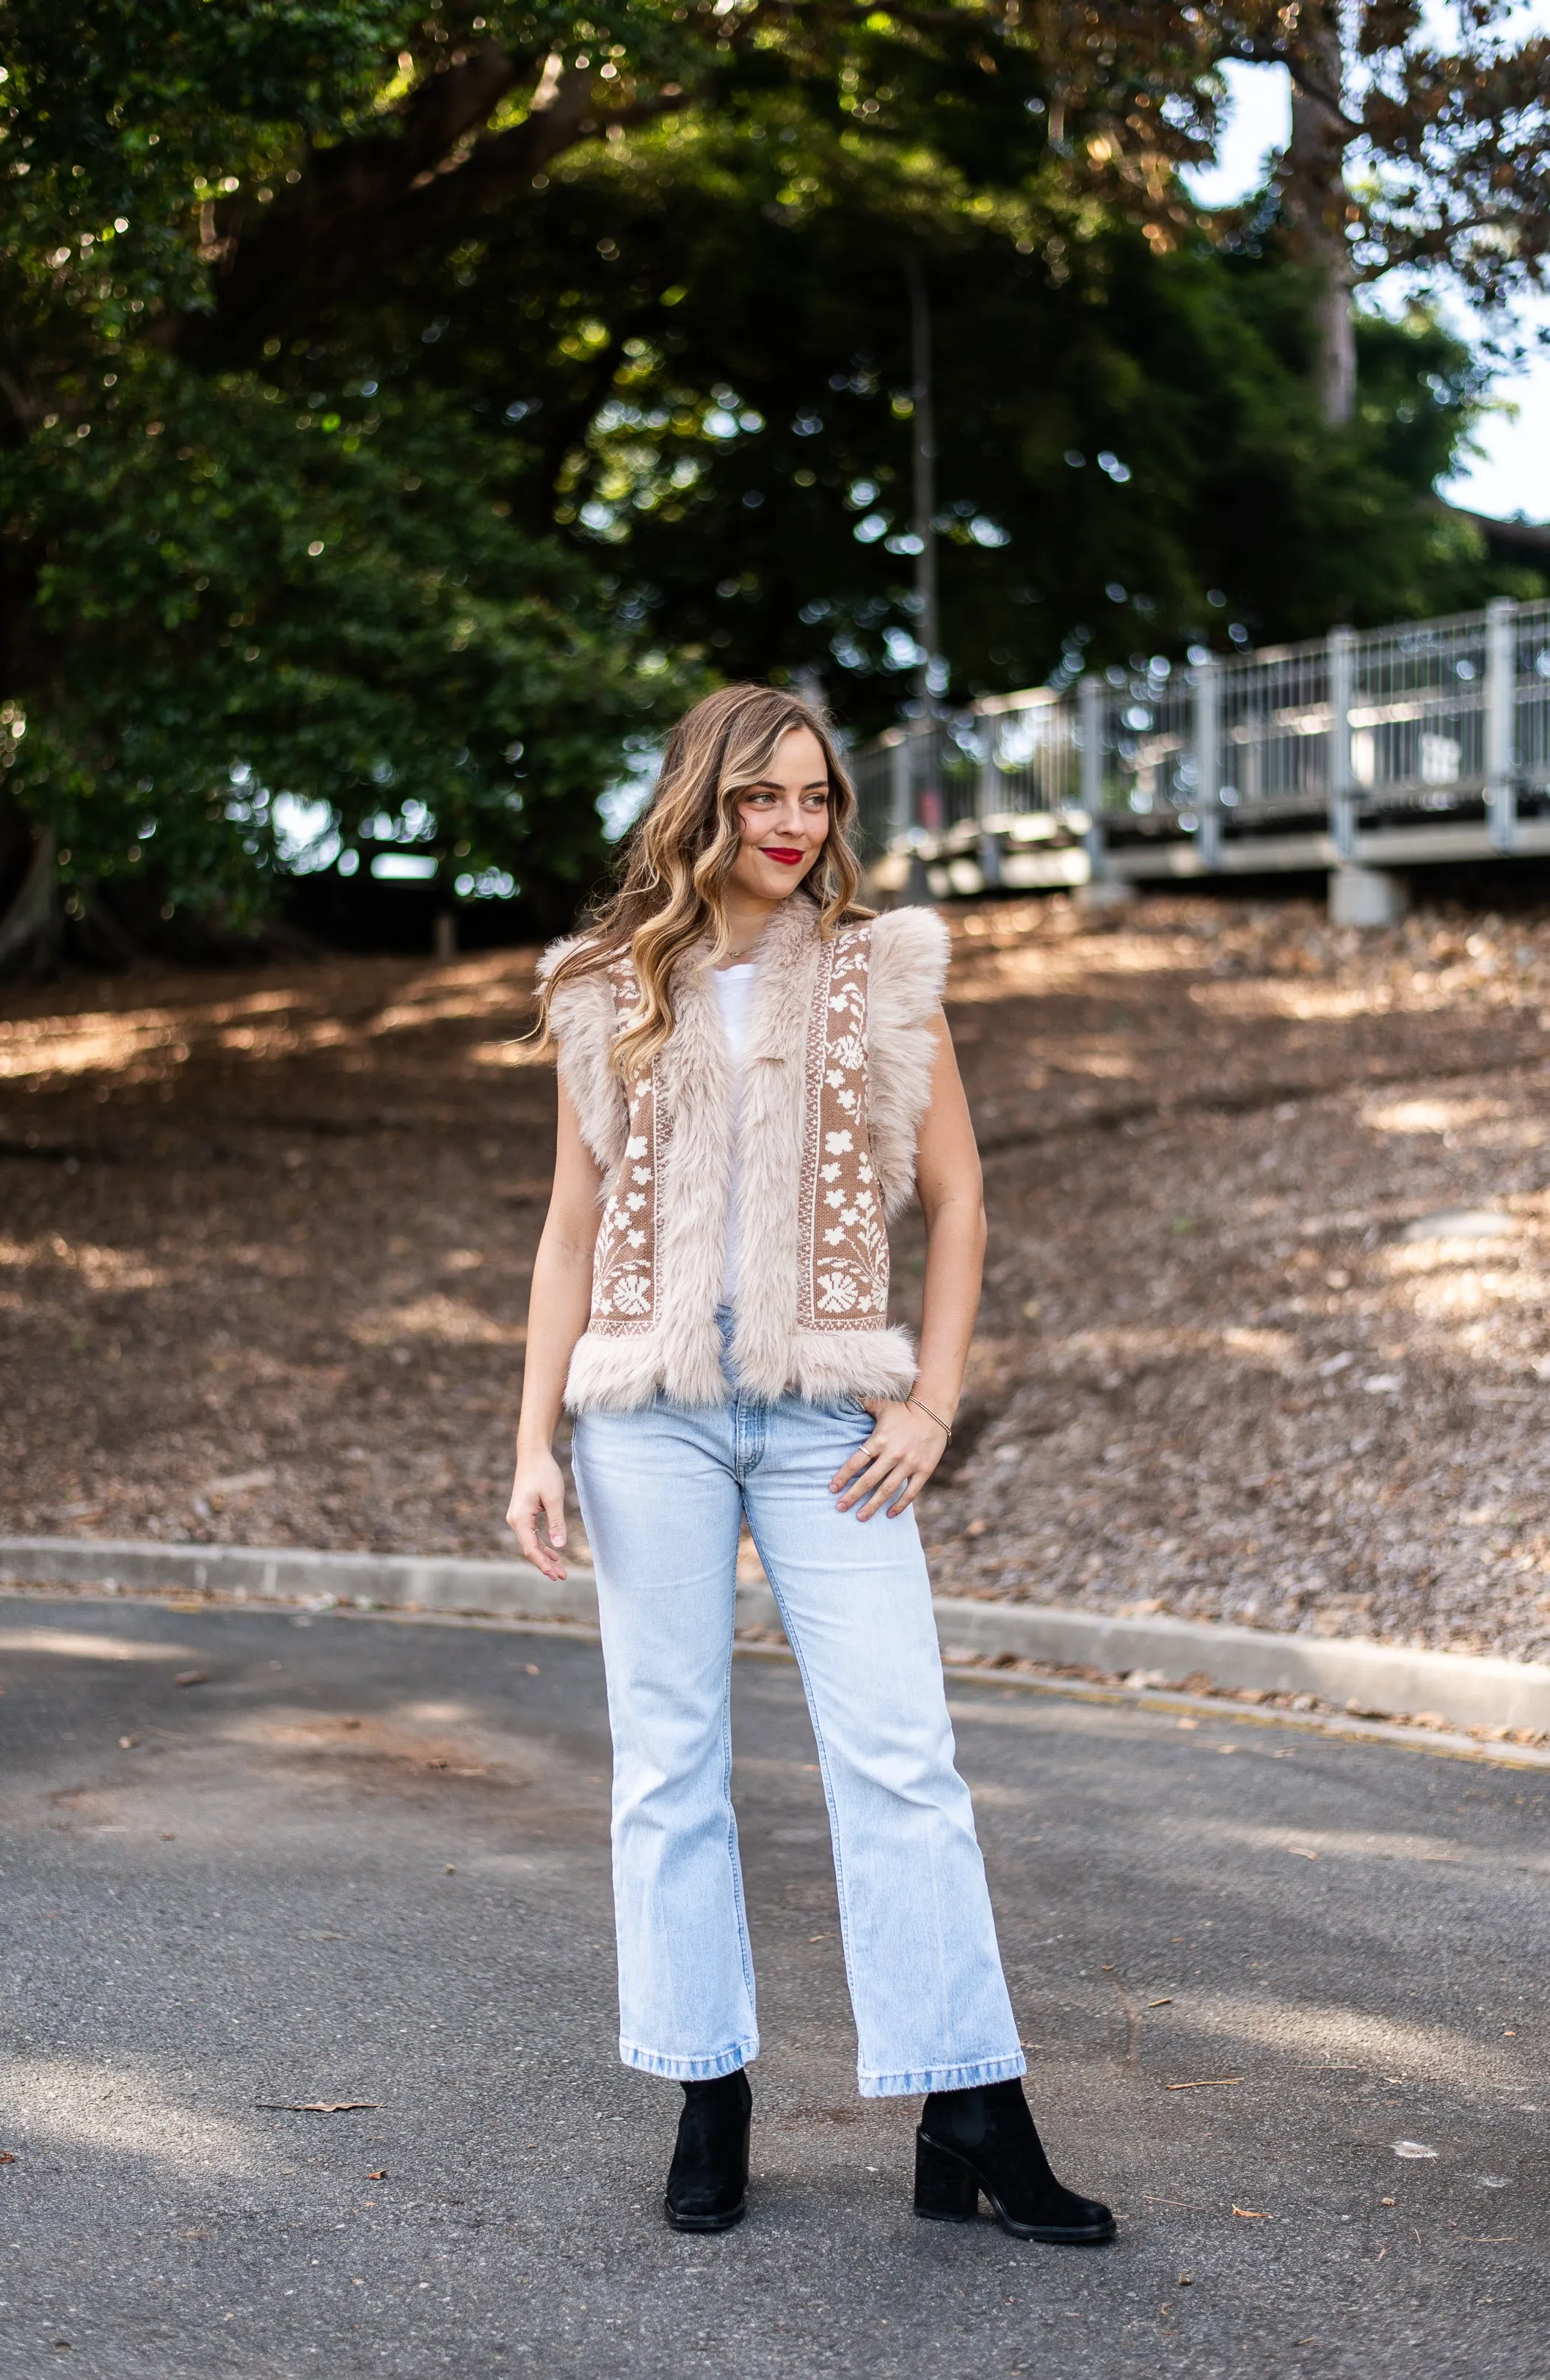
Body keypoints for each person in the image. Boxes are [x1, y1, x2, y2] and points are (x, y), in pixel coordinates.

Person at [506, 683, 1113, 2244]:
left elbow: (959, 1197)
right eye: (763, 796)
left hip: (824, 1419)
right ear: (700, 806)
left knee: (901, 1754)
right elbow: (569, 1229)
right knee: (668, 1764)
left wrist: (930, 1405)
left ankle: (966, 2104)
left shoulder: (877, 974)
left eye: (817, 797)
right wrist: (534, 1436)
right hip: (644, 1412)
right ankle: (708, 2093)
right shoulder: (599, 987)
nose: (793, 824)